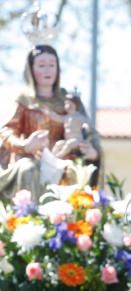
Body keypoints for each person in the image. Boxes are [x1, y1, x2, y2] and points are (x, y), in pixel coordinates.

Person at [0, 44, 100, 202]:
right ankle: (29, 217)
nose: (48, 70)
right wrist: (25, 145)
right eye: (42, 65)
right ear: (31, 69)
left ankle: (71, 222)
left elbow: (87, 130)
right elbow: (7, 132)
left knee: (76, 171)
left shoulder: (68, 100)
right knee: (29, 169)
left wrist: (92, 151)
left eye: (52, 65)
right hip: (32, 158)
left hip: (63, 157)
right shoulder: (24, 100)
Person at [44, 92, 91, 159]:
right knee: (59, 144)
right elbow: (57, 118)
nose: (68, 106)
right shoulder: (66, 117)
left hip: (77, 140)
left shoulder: (79, 117)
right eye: (67, 104)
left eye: (70, 104)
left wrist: (86, 126)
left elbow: (85, 122)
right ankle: (51, 156)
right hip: (68, 140)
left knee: (69, 144)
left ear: (76, 105)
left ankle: (58, 156)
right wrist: (49, 113)